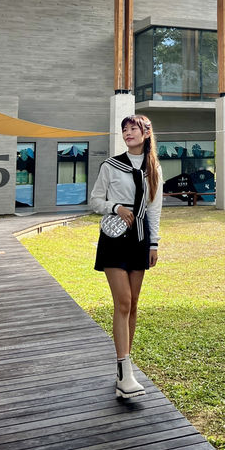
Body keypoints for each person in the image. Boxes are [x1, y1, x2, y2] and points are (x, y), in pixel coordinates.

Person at [89, 115, 163, 398]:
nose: (127, 132)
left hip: (140, 241)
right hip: (114, 240)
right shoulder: (110, 165)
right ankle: (124, 372)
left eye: (133, 128)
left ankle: (126, 365)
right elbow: (94, 200)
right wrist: (116, 207)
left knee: (133, 306)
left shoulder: (153, 168)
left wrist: (154, 244)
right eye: (124, 129)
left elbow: (154, 209)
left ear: (146, 133)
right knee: (123, 302)